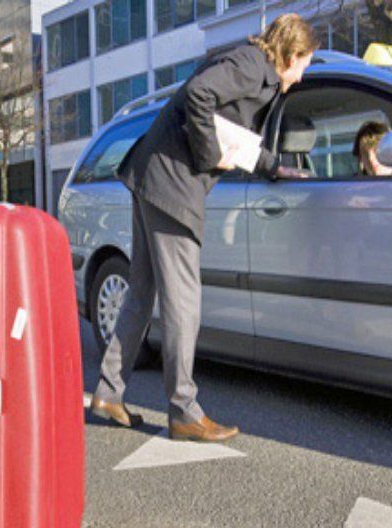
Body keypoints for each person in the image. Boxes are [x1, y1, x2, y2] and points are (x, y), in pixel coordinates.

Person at [89, 14, 319, 442]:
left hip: (154, 176)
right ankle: (183, 410)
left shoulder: (257, 70)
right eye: (305, 63)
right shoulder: (253, 65)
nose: (303, 75)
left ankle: (108, 391)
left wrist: (275, 168)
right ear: (291, 54)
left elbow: (234, 133)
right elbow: (198, 95)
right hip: (172, 184)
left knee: (141, 292)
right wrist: (210, 154)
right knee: (183, 302)